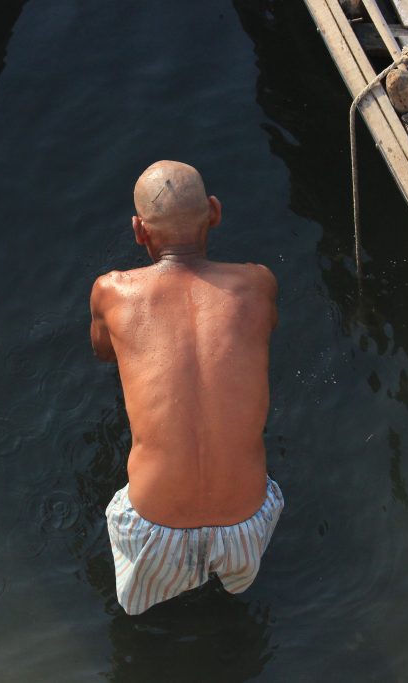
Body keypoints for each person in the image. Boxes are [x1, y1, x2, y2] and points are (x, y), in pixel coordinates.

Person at [90, 161, 284, 615]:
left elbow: (103, 353)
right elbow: (261, 335)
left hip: (153, 526)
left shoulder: (112, 291)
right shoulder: (258, 284)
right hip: (246, 524)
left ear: (140, 230)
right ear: (214, 212)